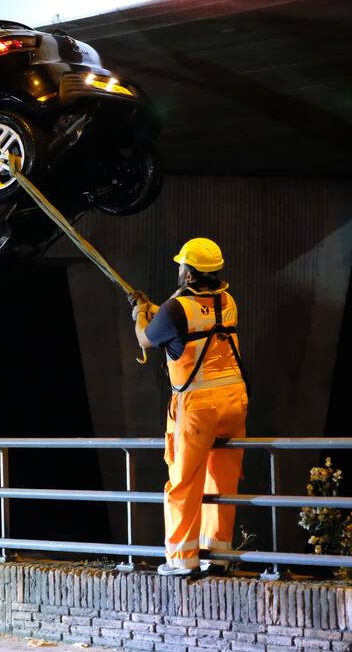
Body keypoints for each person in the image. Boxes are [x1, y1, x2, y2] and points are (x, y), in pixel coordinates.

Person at [130, 238, 248, 576]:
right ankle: (218, 553)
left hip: (199, 407)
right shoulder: (227, 301)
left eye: (182, 266)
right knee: (222, 481)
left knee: (184, 483)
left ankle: (182, 560)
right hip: (235, 403)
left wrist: (140, 314)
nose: (179, 270)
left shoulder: (175, 309)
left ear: (190, 275)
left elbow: (146, 338)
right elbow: (186, 317)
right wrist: (155, 309)